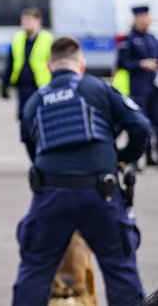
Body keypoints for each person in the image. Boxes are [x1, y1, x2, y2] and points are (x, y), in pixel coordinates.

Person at [12, 36, 149, 305]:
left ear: (49, 67)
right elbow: (140, 126)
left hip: (51, 195)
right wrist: (122, 159)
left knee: (35, 270)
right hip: (100, 193)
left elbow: (33, 151)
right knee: (120, 269)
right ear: (81, 64)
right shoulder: (98, 88)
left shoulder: (35, 101)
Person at [116, 5, 158, 167]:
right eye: (144, 17)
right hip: (137, 88)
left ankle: (149, 156)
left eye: (148, 16)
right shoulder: (129, 39)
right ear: (137, 19)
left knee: (154, 122)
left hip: (153, 87)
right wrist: (140, 63)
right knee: (140, 123)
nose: (148, 19)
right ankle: (134, 159)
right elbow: (122, 62)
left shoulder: (151, 37)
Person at [1, 7, 53, 119]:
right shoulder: (17, 38)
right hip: (22, 85)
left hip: (41, 85)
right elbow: (10, 63)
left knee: (39, 116)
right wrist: (5, 84)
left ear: (38, 21)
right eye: (23, 20)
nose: (25, 23)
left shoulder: (48, 39)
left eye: (28, 20)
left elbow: (54, 63)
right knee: (23, 116)